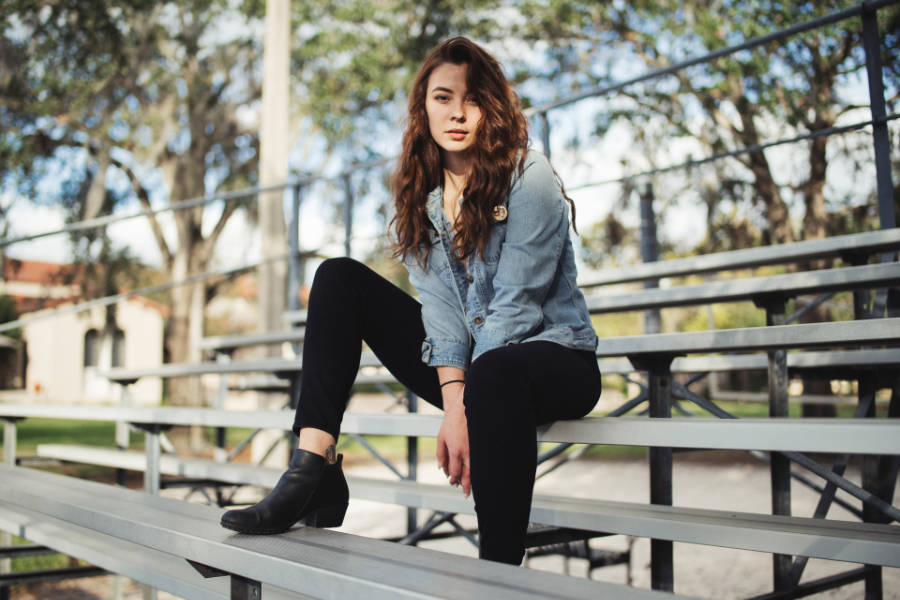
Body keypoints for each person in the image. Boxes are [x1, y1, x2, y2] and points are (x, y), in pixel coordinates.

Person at [221, 37, 601, 566]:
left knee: (494, 375)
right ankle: (313, 467)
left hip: (555, 358)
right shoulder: (419, 194)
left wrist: (463, 409)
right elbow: (440, 310)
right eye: (443, 98)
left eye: (472, 99)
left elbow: (516, 308)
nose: (458, 113)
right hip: (472, 369)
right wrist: (455, 403)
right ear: (424, 106)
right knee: (337, 278)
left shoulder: (527, 176)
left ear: (492, 106)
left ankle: (499, 573)